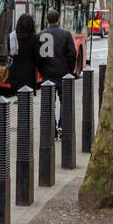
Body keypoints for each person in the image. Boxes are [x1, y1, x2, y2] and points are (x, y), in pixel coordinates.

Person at [38, 7, 77, 135]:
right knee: (64, 101)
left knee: (49, 103)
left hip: (47, 74)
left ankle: (51, 128)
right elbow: (72, 54)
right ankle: (61, 126)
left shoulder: (41, 35)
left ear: (47, 20)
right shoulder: (66, 34)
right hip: (62, 73)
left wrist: (42, 70)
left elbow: (38, 56)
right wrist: (69, 71)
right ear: (59, 20)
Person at [7, 12, 42, 93]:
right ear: (31, 25)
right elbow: (37, 58)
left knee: (17, 93)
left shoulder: (11, 37)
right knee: (27, 98)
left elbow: (10, 54)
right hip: (29, 72)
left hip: (15, 71)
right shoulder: (35, 38)